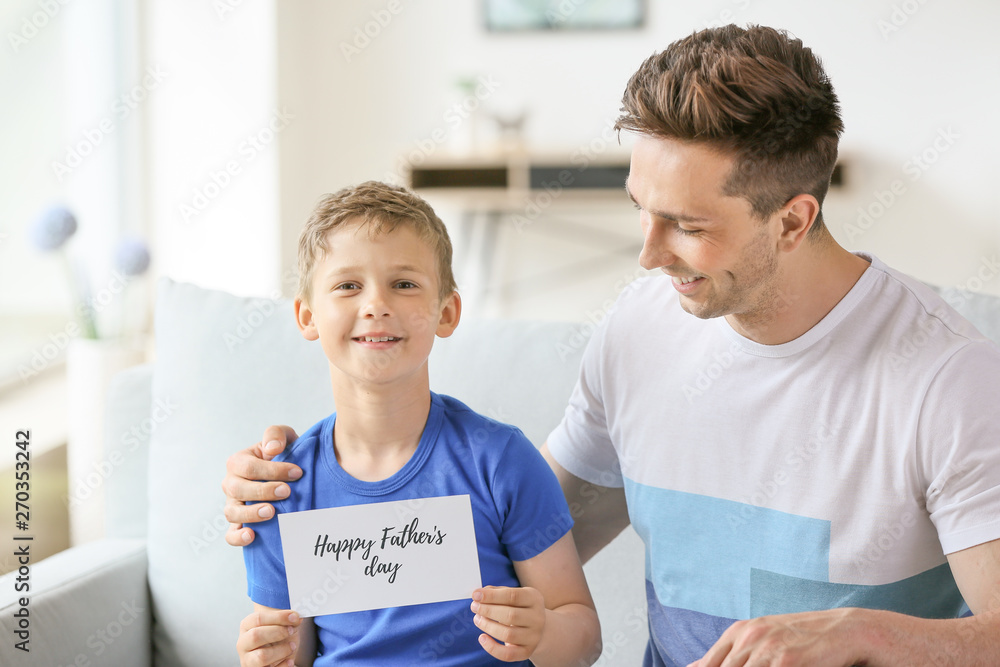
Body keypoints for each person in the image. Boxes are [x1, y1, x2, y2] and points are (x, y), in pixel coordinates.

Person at [224, 25, 1000, 667]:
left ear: (792, 221)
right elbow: (501, 535)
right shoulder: (642, 327)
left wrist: (859, 634)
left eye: (689, 227)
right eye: (642, 210)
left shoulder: (945, 378)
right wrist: (298, 493)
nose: (649, 255)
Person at [234, 181, 601, 667]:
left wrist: (544, 632)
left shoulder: (500, 461)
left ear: (446, 312)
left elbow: (584, 639)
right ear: (307, 316)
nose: (375, 305)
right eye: (348, 285)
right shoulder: (279, 489)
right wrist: (267, 657)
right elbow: (293, 654)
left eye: (404, 284)